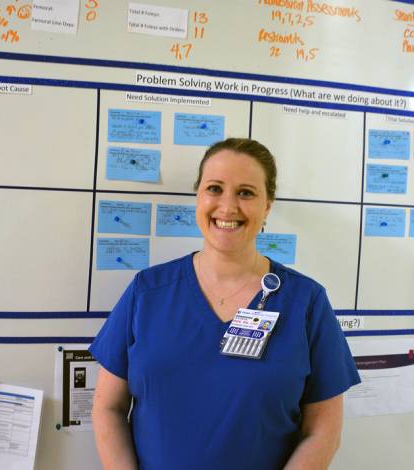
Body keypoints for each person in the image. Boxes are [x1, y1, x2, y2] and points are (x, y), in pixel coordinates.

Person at [90, 138, 361, 470]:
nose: (228, 207)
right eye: (214, 189)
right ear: (198, 197)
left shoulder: (306, 303)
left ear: (268, 205)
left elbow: (323, 430)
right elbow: (108, 408)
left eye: (246, 193)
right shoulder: (147, 292)